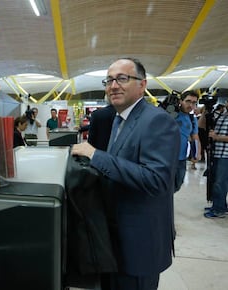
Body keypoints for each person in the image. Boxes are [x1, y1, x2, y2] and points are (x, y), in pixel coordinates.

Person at [71, 58, 180, 290]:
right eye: (109, 80)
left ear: (142, 84)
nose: (113, 86)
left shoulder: (157, 120)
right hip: (115, 239)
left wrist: (96, 155)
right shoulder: (119, 119)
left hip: (139, 244)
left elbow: (157, 180)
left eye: (122, 78)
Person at [174, 91, 201, 192]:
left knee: (177, 184)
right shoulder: (170, 114)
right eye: (188, 101)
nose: (191, 105)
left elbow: (195, 137)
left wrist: (197, 153)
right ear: (181, 101)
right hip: (165, 157)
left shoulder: (191, 118)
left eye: (194, 102)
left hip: (181, 158)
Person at [204, 110, 228, 218]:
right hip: (217, 153)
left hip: (226, 155)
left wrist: (217, 137)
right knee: (216, 181)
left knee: (220, 182)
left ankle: (219, 210)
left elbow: (216, 135)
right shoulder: (222, 115)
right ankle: (218, 205)